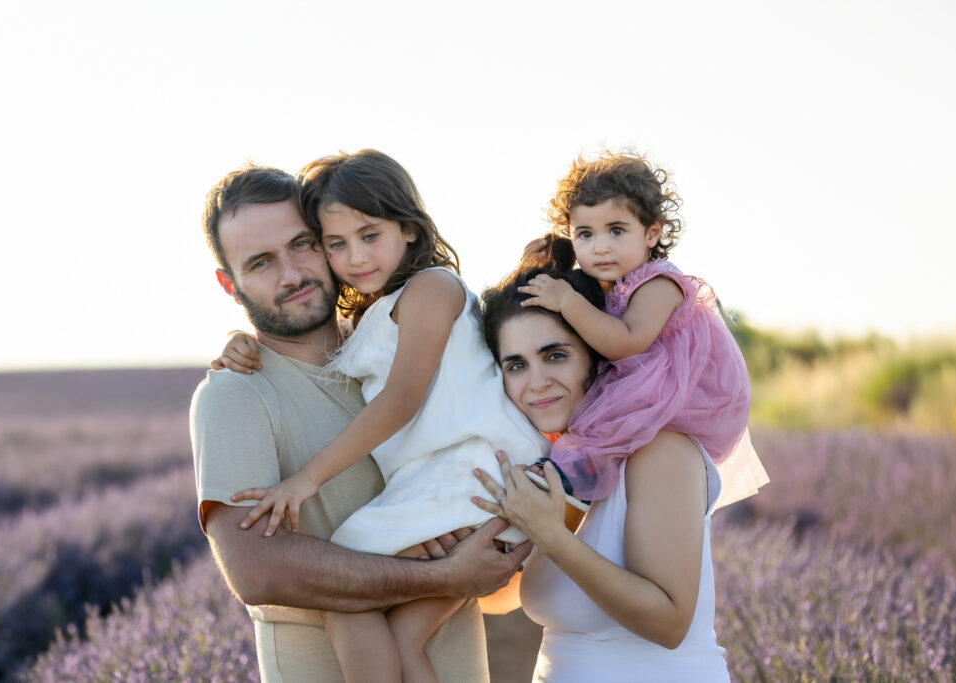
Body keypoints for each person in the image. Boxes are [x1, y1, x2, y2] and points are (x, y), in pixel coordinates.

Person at [191, 163, 531, 682]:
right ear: (229, 285)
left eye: (303, 245)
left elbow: (499, 591)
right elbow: (256, 570)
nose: (292, 274)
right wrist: (442, 575)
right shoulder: (236, 393)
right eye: (261, 262)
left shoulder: (387, 353)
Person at [473, 249, 736, 681]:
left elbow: (669, 622)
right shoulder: (567, 464)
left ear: (597, 359)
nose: (537, 383)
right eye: (516, 365)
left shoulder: (659, 450)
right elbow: (508, 596)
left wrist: (551, 535)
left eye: (555, 355)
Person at [516, 151, 768, 507]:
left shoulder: (659, 283)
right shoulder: (603, 284)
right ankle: (577, 480)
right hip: (638, 380)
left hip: (680, 391)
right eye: (585, 234)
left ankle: (575, 474)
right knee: (595, 408)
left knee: (615, 418)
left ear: (652, 233)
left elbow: (627, 342)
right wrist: (537, 267)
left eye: (616, 230)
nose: (600, 247)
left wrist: (568, 300)